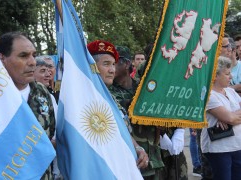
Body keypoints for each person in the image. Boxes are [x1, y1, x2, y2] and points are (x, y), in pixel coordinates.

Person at [114, 45, 188, 180]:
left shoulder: (143, 87)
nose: (111, 68)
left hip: (155, 155)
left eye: (114, 62)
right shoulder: (109, 92)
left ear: (126, 64)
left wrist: (178, 129)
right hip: (133, 155)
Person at [0, 31, 56, 180]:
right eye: (23, 56)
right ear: (1, 58)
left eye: (33, 55)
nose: (32, 62)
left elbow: (51, 135)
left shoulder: (42, 92)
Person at [87, 40, 149, 170]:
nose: (112, 70)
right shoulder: (84, 98)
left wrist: (138, 148)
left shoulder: (109, 98)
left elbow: (121, 131)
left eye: (113, 64)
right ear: (92, 66)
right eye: (106, 64)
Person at [201, 56, 241, 180]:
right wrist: (229, 117)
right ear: (215, 76)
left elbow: (230, 118)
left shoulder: (231, 92)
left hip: (237, 146)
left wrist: (229, 117)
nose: (231, 77)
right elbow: (230, 118)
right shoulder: (209, 95)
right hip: (219, 149)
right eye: (227, 74)